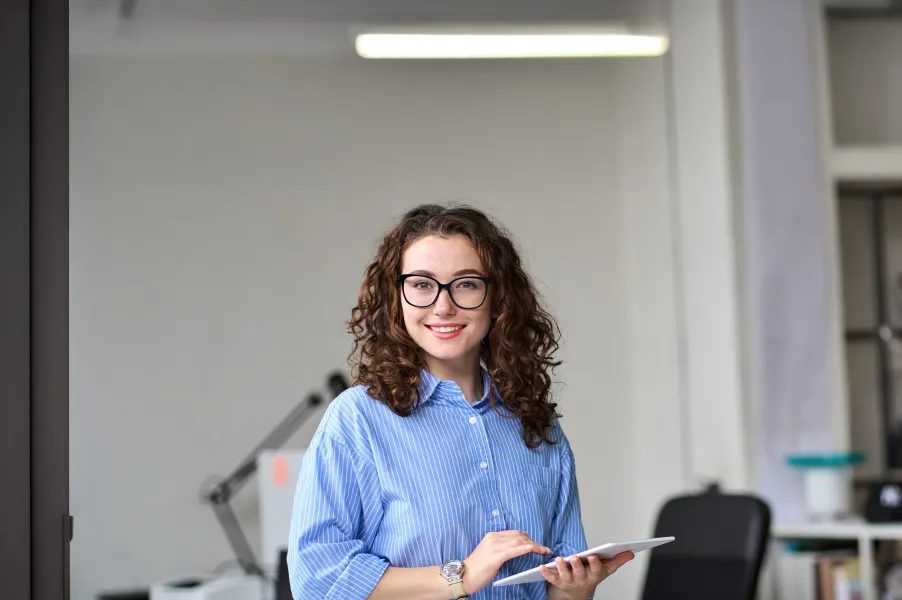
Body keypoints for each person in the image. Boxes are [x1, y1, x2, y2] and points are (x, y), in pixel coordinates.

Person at [287, 204, 633, 600]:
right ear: (396, 297)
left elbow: (554, 587)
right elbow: (318, 578)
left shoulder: (538, 425)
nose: (443, 306)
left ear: (497, 298)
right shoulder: (358, 419)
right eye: (421, 284)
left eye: (466, 284)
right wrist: (460, 575)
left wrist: (574, 590)